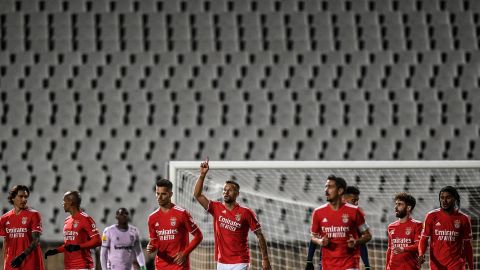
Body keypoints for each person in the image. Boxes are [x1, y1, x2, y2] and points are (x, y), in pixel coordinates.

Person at [193, 158, 272, 270]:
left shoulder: (245, 212)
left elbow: (260, 235)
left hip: (240, 261)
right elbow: (197, 195)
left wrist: (265, 259)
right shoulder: (216, 208)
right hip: (221, 262)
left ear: (237, 193)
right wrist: (202, 175)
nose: (226, 192)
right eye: (224, 190)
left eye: (229, 190)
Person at [310, 176, 372, 270]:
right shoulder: (318, 212)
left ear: (340, 191)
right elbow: (313, 236)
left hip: (350, 264)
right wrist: (320, 241)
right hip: (327, 265)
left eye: (330, 187)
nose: (326, 190)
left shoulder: (355, 212)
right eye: (326, 186)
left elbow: (367, 235)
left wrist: (356, 242)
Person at [147, 178, 203, 270]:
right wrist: (151, 247)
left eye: (163, 194)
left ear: (170, 194)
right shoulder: (152, 218)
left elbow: (198, 236)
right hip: (160, 266)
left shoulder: (182, 214)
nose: (159, 197)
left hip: (179, 266)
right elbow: (154, 242)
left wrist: (185, 253)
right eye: (157, 193)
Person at [418, 186, 473, 269]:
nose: (444, 201)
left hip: (457, 264)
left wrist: (471, 267)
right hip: (437, 265)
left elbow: (467, 244)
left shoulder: (464, 218)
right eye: (442, 198)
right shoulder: (431, 216)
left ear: (454, 199)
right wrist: (421, 254)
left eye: (448, 198)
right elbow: (424, 239)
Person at [44, 191, 102, 270]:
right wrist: (55, 251)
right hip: (69, 266)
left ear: (71, 202)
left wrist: (78, 247)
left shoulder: (86, 219)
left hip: (83, 266)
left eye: (64, 201)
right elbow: (69, 245)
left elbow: (97, 241)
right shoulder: (67, 220)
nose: (63, 204)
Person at [0, 185, 44, 270]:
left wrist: (22, 256)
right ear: (13, 198)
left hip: (29, 261)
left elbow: (36, 240)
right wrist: (5, 262)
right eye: (21, 196)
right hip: (12, 262)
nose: (24, 199)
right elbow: (5, 242)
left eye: (26, 197)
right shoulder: (4, 218)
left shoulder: (34, 214)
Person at [386, 192, 422, 270]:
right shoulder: (391, 227)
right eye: (396, 204)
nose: (396, 207)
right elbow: (389, 249)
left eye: (399, 204)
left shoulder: (417, 225)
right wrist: (386, 267)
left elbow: (419, 245)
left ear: (408, 208)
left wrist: (403, 249)